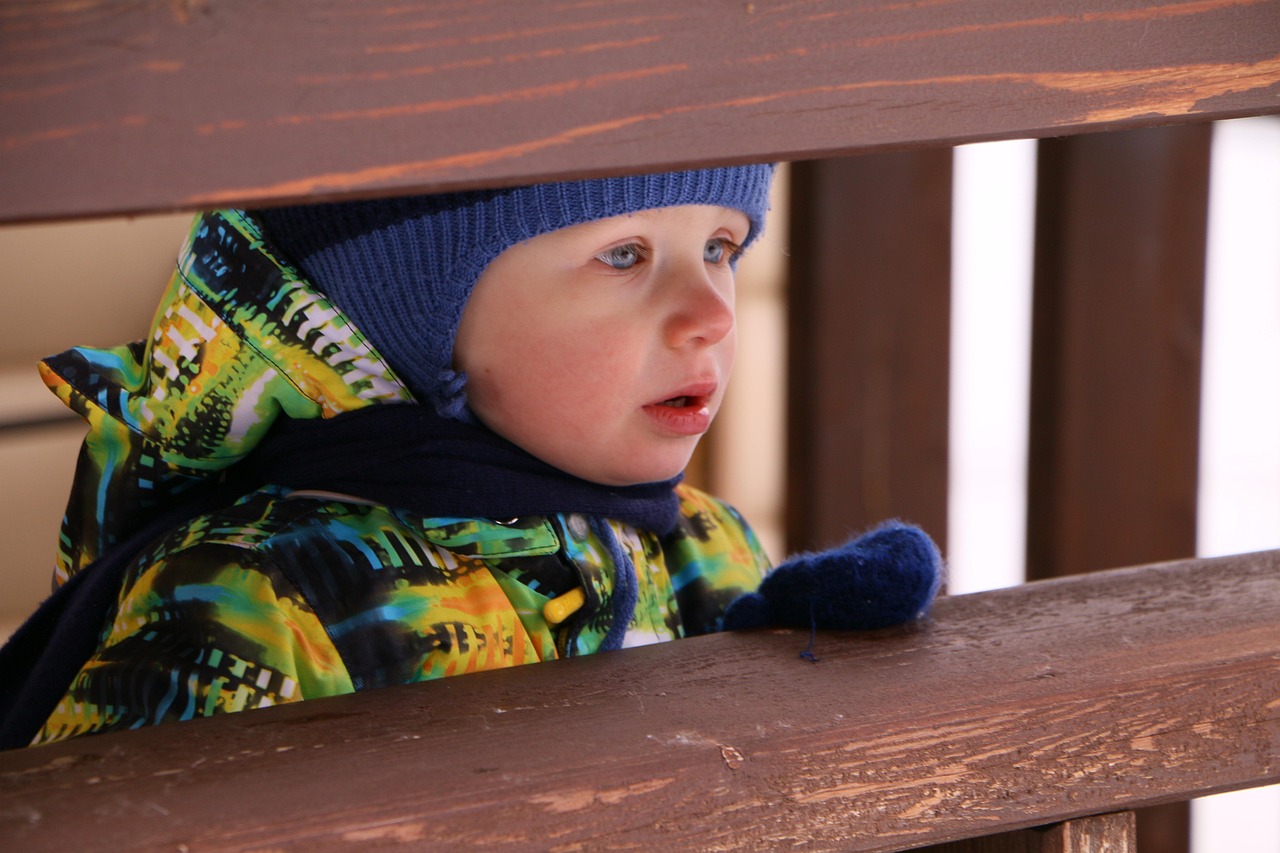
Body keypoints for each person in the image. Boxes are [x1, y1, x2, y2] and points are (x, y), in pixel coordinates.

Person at [0, 165, 940, 749]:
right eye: (624, 255)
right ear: (420, 314)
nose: (713, 313)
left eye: (722, 246)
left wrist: (792, 675)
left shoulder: (702, 544)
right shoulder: (257, 595)